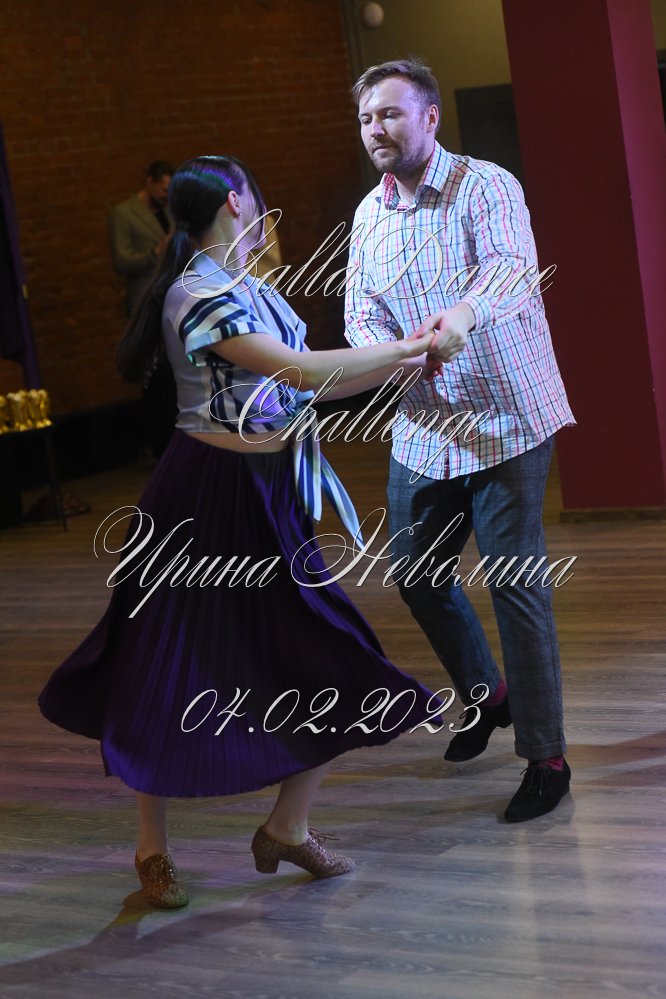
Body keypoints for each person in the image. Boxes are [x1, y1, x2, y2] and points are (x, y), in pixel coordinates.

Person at [39, 154, 445, 910]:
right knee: (164, 662)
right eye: (256, 193)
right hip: (203, 497)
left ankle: (288, 827)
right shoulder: (196, 292)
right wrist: (406, 348)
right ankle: (151, 850)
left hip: (270, 495)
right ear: (236, 200)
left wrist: (402, 362)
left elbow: (314, 380)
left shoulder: (251, 287)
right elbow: (297, 372)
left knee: (332, 649)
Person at [345, 59, 576, 823]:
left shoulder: (486, 186)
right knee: (417, 575)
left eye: (390, 114)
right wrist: (392, 352)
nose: (376, 129)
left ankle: (546, 756)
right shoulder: (369, 214)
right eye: (366, 118)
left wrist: (459, 320)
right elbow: (360, 311)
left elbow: (509, 271)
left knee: (515, 584)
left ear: (431, 117)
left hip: (507, 417)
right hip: (424, 424)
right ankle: (489, 694)